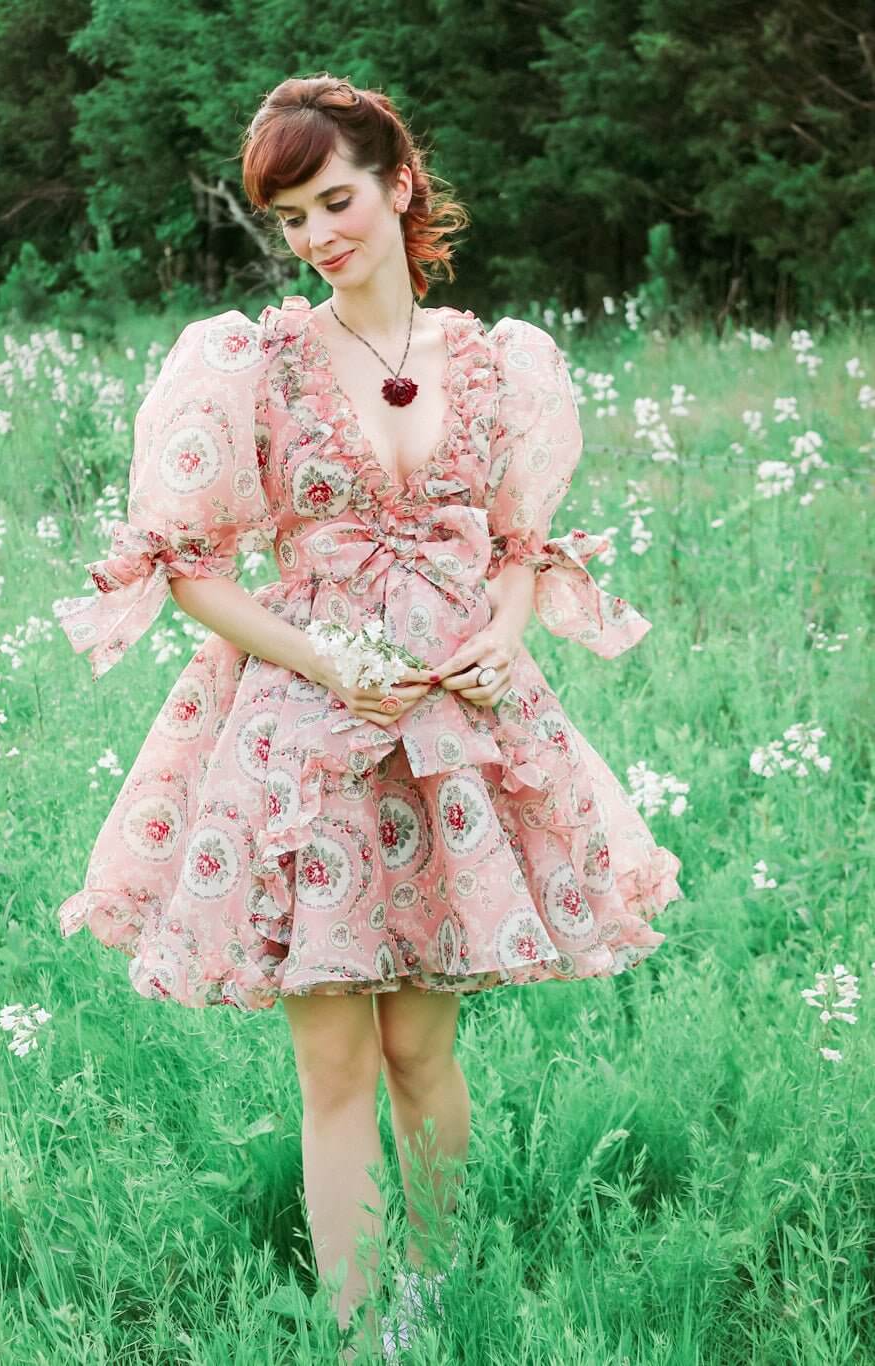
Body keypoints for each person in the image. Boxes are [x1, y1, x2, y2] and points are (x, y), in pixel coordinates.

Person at [53, 74, 684, 1360]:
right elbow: (189, 572)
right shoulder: (251, 362)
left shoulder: (494, 359)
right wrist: (332, 663)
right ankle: (356, 1336)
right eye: (289, 218)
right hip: (308, 733)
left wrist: (504, 629)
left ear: (399, 183)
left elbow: (517, 542)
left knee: (421, 1055)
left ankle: (437, 1300)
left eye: (334, 200)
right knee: (334, 1064)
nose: (316, 235)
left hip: (451, 725)